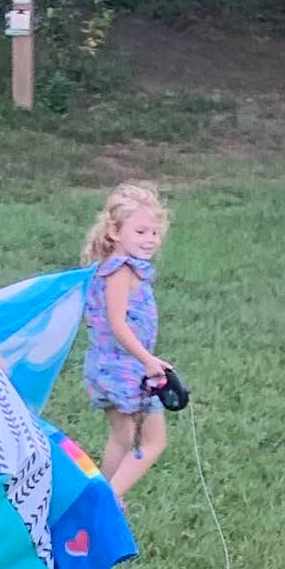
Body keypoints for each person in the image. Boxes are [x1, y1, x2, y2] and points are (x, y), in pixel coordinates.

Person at [79, 183, 175, 497]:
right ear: (115, 233)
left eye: (154, 233)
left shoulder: (124, 269)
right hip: (123, 368)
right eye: (141, 232)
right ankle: (109, 500)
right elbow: (117, 324)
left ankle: (105, 497)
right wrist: (149, 361)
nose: (150, 240)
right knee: (141, 439)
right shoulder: (119, 271)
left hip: (121, 367)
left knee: (131, 439)